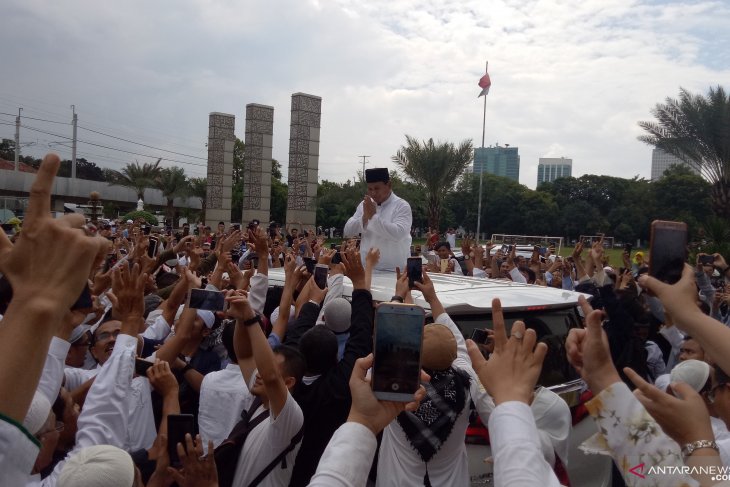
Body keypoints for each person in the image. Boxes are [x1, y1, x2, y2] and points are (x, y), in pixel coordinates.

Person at [343, 168, 412, 271]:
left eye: (377, 188)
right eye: (370, 189)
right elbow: (348, 231)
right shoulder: (365, 205)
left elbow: (398, 234)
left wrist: (373, 217)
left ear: (389, 185)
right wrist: (364, 218)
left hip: (394, 271)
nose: (373, 193)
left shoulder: (401, 206)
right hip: (367, 269)